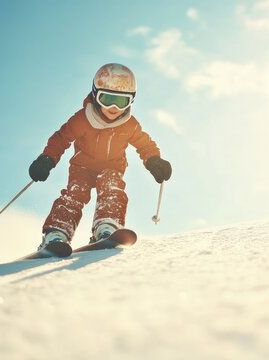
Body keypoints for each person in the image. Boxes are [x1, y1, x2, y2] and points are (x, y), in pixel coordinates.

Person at [28, 63, 171, 251]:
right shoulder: (82, 119)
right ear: (96, 95)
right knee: (75, 194)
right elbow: (61, 139)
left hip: (112, 167)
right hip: (82, 167)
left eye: (121, 102)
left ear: (131, 102)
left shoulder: (129, 125)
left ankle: (107, 226)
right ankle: (57, 233)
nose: (113, 108)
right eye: (107, 99)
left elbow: (145, 144)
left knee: (112, 186)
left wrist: (153, 160)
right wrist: (47, 159)